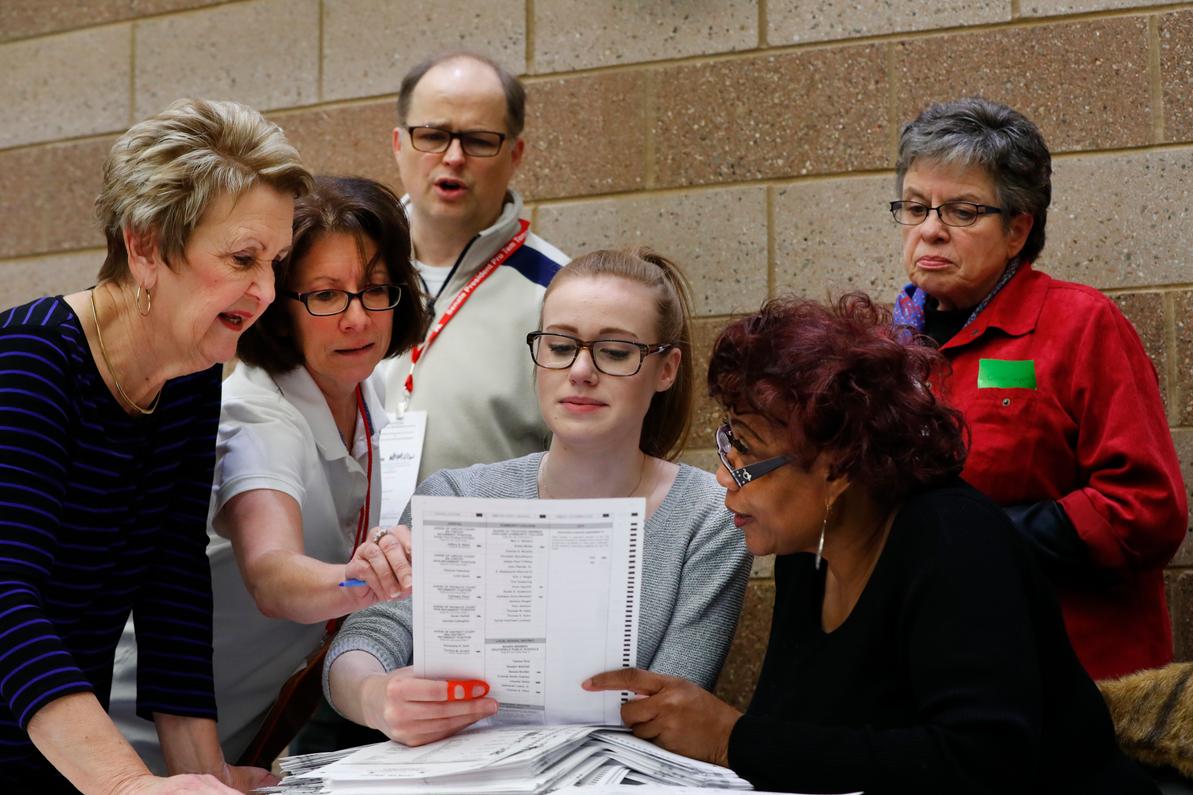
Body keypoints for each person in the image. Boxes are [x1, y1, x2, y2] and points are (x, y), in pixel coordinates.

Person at [586, 294, 1160, 794]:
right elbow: (798, 733)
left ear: (839, 468)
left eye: (747, 452)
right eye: (727, 442)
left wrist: (730, 738)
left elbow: (980, 763)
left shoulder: (954, 542)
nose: (722, 474)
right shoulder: (804, 551)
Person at [0, 99, 311, 792]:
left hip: (52, 758)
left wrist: (207, 777)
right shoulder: (28, 361)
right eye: (241, 258)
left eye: (275, 262)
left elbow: (170, 580)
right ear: (143, 245)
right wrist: (126, 784)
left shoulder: (191, 375)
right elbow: (5, 598)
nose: (264, 291)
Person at [324, 248, 752, 746]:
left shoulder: (709, 516)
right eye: (560, 346)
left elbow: (671, 707)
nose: (581, 371)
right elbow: (363, 642)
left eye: (615, 352)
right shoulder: (457, 496)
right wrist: (376, 696)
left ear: (666, 369)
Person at [110, 177, 425, 769]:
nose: (357, 319)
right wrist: (366, 581)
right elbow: (273, 578)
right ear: (279, 308)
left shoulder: (368, 392)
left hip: (236, 742)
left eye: (376, 290)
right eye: (326, 296)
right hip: (142, 747)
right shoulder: (259, 417)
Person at [886, 97, 1186, 680]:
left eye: (962, 212)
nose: (930, 230)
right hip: (931, 676)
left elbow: (1146, 510)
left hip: (1068, 680)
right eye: (915, 207)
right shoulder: (884, 347)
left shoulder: (1081, 325)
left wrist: (979, 541)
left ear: (1018, 229)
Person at [380, 50, 570, 482]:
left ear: (516, 154)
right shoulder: (343, 272)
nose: (453, 157)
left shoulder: (559, 295)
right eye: (432, 135)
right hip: (340, 551)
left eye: (479, 140)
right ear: (398, 144)